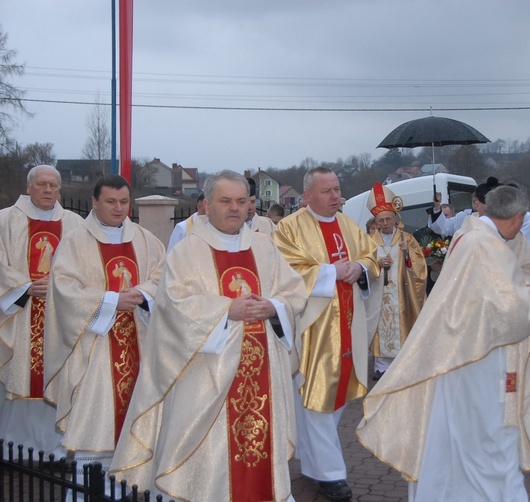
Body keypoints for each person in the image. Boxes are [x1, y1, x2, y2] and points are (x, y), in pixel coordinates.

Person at [109, 170, 307, 501]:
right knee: (211, 456)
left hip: (262, 374)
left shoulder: (265, 247)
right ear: (206, 205)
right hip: (207, 377)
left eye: (241, 201)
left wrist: (273, 307)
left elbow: (295, 293)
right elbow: (173, 307)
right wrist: (226, 311)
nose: (234, 208)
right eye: (225, 201)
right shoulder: (187, 252)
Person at [357, 185, 530, 501]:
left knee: (459, 435)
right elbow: (509, 311)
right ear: (518, 217)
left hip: (465, 351)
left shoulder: (470, 235)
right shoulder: (485, 246)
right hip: (477, 358)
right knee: (485, 439)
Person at [43, 174, 164, 486]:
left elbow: (163, 275)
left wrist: (142, 295)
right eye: (110, 202)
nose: (119, 208)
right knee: (95, 425)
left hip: (140, 343)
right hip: (94, 351)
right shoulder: (75, 241)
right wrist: (111, 300)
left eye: (124, 201)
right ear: (94, 202)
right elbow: (64, 288)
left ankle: (131, 487)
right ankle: (89, 491)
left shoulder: (146, 240)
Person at [274, 166, 378, 501]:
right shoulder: (289, 228)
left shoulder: (348, 224)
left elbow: (370, 255)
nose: (336, 196)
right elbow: (286, 271)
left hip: (348, 322)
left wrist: (359, 268)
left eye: (337, 189)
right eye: (327, 191)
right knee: (316, 396)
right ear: (307, 196)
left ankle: (312, 456)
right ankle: (330, 473)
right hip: (314, 326)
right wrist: (335, 271)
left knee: (337, 395)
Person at [0, 165, 83, 458]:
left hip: (60, 317)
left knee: (60, 375)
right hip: (21, 315)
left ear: (60, 190)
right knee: (22, 373)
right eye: (42, 184)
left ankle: (58, 450)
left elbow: (86, 268)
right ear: (29, 187)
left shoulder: (75, 225)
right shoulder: (5, 220)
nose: (48, 190)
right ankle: (16, 448)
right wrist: (22, 287)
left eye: (53, 185)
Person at [367, 183, 427, 380]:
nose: (385, 223)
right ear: (376, 222)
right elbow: (362, 264)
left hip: (400, 289)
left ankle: (401, 361)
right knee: (379, 322)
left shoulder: (407, 239)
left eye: (388, 219)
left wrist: (407, 254)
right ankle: (381, 365)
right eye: (381, 220)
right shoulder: (368, 241)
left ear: (395, 219)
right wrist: (376, 263)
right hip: (378, 291)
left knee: (400, 317)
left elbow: (419, 267)